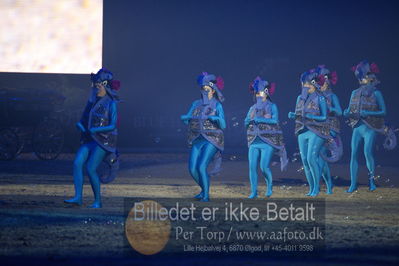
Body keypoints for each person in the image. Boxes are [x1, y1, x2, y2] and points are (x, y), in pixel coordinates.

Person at [65, 68, 120, 208]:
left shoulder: (111, 103)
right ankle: (78, 197)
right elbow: (86, 120)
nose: (96, 87)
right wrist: (81, 125)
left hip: (103, 141)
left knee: (90, 168)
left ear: (105, 85)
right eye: (96, 84)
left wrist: (96, 129)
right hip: (91, 139)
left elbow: (113, 126)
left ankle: (97, 201)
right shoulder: (93, 101)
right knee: (77, 162)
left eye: (99, 84)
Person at [181, 72, 226, 202]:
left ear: (213, 90)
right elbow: (187, 119)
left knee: (201, 167)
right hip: (197, 138)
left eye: (207, 89)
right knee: (192, 169)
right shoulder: (196, 103)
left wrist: (215, 117)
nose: (204, 91)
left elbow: (223, 124)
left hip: (212, 138)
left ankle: (206, 195)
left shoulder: (217, 105)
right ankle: (204, 189)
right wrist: (185, 117)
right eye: (203, 88)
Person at [344, 60, 387, 192]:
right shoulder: (354, 93)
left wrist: (367, 112)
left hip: (370, 128)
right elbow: (350, 110)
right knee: (353, 154)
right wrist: (346, 113)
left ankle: (371, 181)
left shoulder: (376, 93)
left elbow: (383, 111)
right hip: (357, 127)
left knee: (367, 152)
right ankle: (353, 184)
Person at [245, 77, 287, 198]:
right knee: (252, 167)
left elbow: (275, 120)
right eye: (256, 92)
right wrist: (248, 120)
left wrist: (261, 119)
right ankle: (254, 192)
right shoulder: (252, 108)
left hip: (267, 141)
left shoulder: (272, 106)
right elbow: (247, 122)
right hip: (253, 140)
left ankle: (269, 187)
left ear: (267, 92)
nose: (258, 94)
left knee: (264, 166)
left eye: (261, 92)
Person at [288, 69, 329, 197]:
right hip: (302, 131)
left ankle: (316, 188)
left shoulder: (320, 98)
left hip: (316, 130)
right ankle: (311, 188)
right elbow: (299, 115)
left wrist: (310, 117)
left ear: (313, 84)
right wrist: (293, 115)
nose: (305, 87)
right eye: (303, 84)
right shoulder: (299, 99)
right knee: (305, 160)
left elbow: (324, 117)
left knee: (312, 158)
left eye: (307, 84)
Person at [315, 65, 342, 194]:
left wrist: (330, 109)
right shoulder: (315, 97)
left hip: (330, 127)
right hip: (318, 127)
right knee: (321, 158)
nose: (324, 83)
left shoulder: (332, 96)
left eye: (326, 79)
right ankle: (328, 185)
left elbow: (340, 111)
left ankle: (317, 185)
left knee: (321, 155)